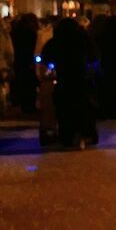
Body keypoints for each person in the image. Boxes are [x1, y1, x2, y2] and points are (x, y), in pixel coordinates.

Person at [41, 18, 99, 148]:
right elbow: (94, 56)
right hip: (82, 79)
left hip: (64, 79)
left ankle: (67, 135)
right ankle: (87, 132)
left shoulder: (56, 41)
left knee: (64, 109)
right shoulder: (84, 39)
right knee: (85, 106)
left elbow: (46, 56)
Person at [10, 13, 40, 115]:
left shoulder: (14, 33)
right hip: (29, 61)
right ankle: (29, 105)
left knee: (20, 82)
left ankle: (21, 103)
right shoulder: (33, 33)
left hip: (18, 60)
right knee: (30, 85)